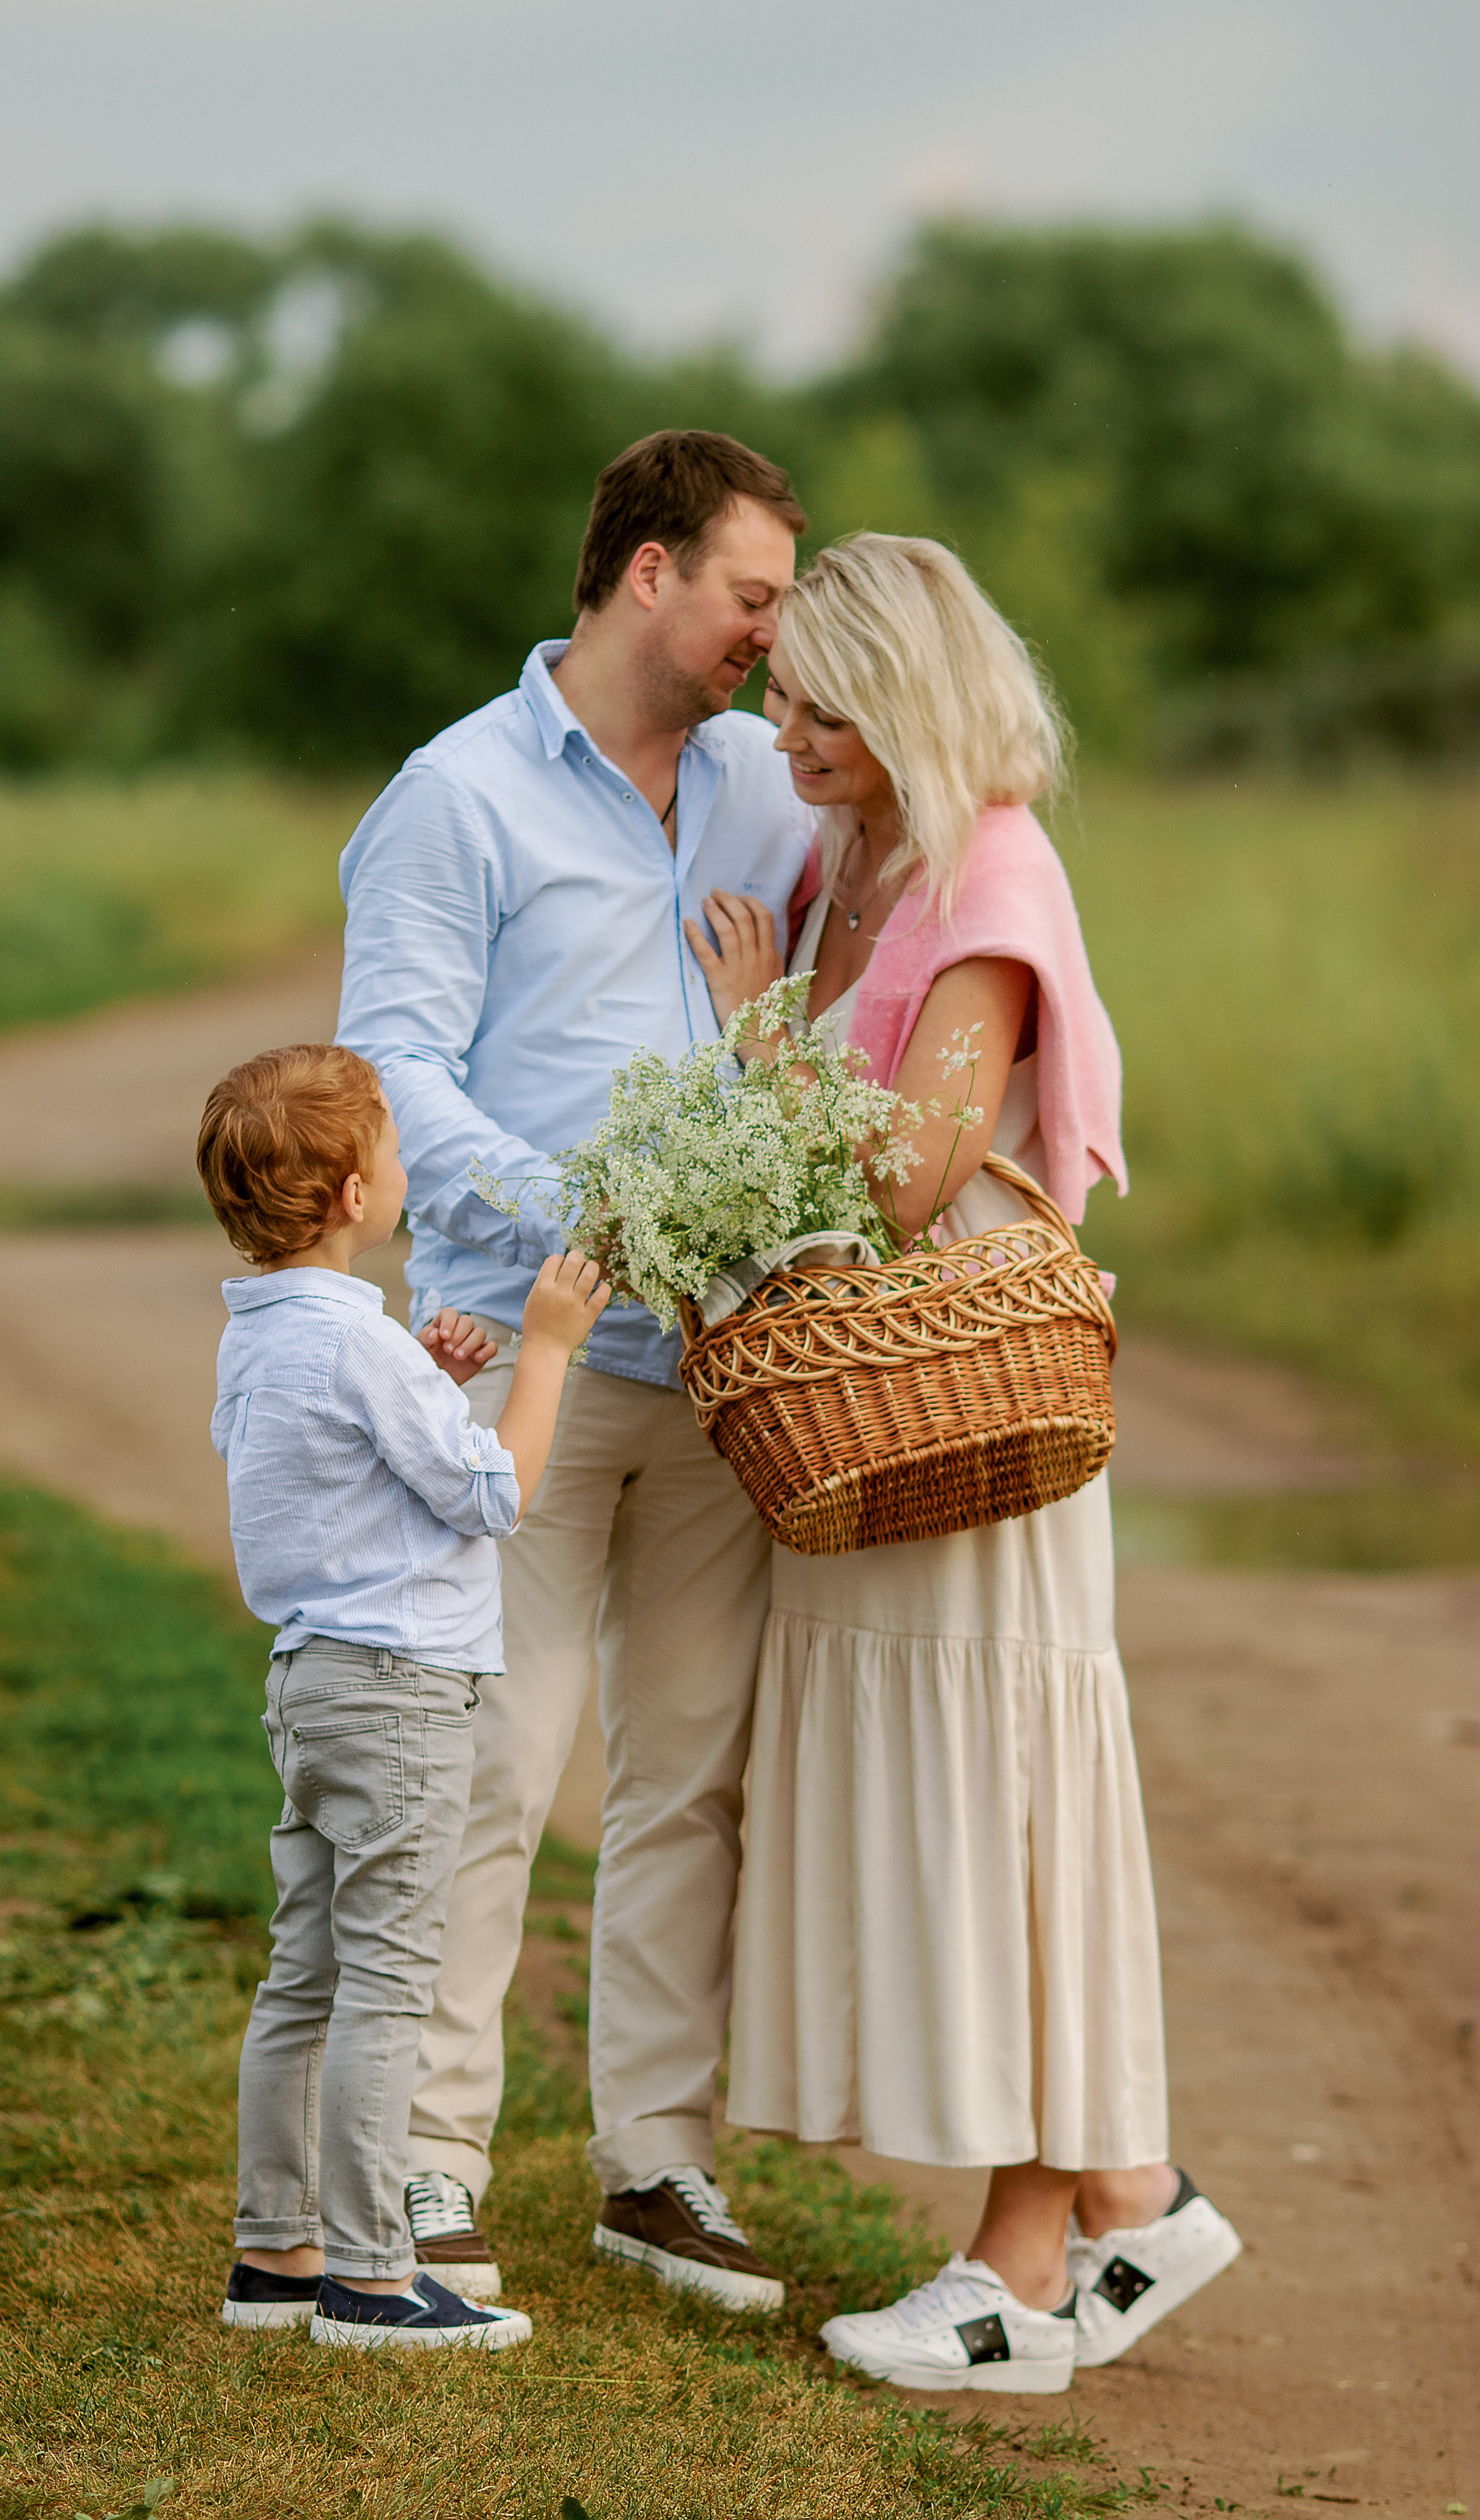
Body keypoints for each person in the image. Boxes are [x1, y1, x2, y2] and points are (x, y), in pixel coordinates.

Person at [687, 534, 1241, 2395]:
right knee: (965, 1820)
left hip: (963, 1416)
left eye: (817, 705)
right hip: (882, 1410)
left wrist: (759, 1032)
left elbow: (913, 1171)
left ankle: (1071, 2234)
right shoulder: (851, 861)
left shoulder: (989, 868)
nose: (784, 732)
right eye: (778, 696)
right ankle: (1082, 2228)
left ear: (904, 700)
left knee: (999, 1819)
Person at [336, 430, 813, 2312]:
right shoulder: (456, 799)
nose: (770, 641)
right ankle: (425, 2165)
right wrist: (589, 1214)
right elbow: (390, 1066)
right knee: (494, 1752)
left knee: (690, 1767)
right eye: (752, 598)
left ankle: (656, 2166)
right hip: (520, 1354)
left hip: (732, 1368)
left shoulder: (774, 784)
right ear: (648, 574)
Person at [196, 1041, 609, 2349]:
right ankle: (374, 2278)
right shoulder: (358, 1344)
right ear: (351, 1202)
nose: (400, 1168)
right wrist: (538, 1355)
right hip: (401, 1697)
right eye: (389, 1150)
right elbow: (492, 1496)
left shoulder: (258, 1337)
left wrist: (422, 1382)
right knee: (386, 1981)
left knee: (304, 1978)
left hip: (312, 1684)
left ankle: (276, 2251)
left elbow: (325, 1473)